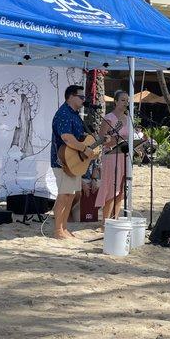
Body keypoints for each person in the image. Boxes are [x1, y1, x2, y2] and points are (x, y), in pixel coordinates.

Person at [51, 85, 95, 239]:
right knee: (64, 195)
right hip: (63, 161)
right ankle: (58, 230)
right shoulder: (64, 113)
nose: (84, 99)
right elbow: (67, 138)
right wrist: (84, 149)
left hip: (74, 163)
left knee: (70, 195)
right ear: (70, 96)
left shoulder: (75, 115)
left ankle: (63, 228)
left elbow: (79, 137)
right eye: (81, 97)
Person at [95, 90, 129, 224]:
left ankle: (114, 219)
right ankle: (105, 221)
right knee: (111, 187)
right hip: (111, 156)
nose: (125, 103)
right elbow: (102, 138)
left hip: (124, 156)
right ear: (115, 101)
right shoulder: (109, 118)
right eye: (122, 100)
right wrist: (116, 140)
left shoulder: (128, 118)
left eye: (127, 100)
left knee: (121, 188)